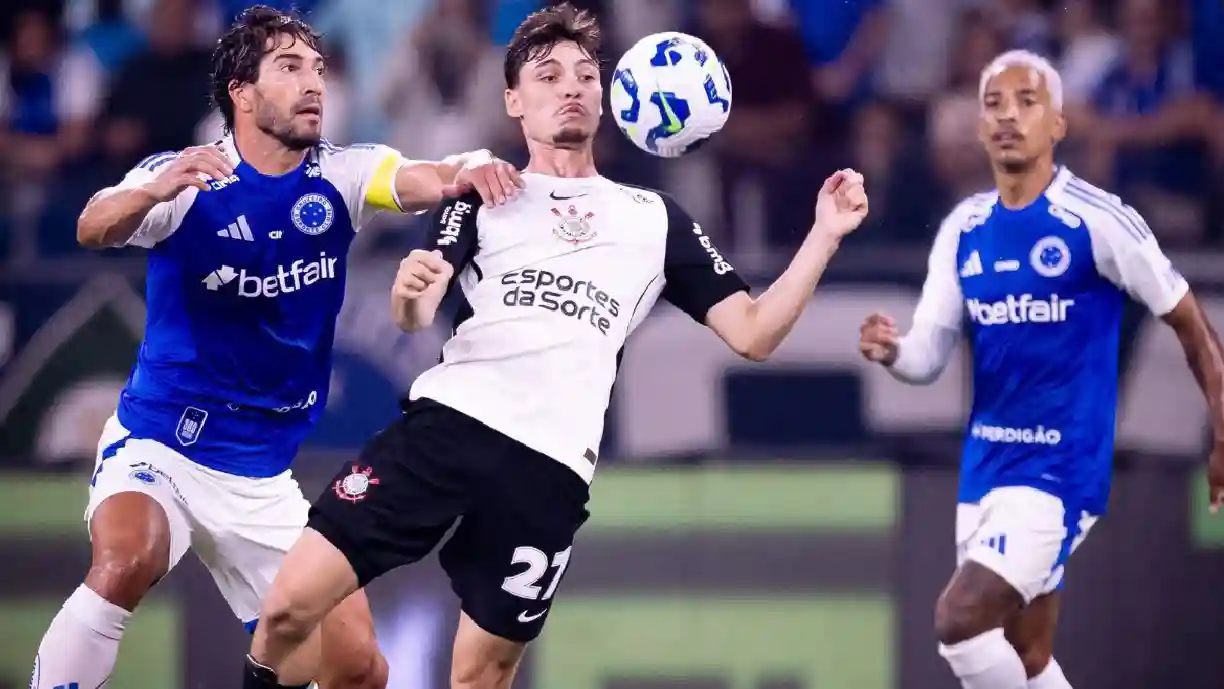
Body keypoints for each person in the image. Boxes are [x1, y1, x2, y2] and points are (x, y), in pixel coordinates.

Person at [239, 4, 869, 689]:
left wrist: (824, 235)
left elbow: (753, 332)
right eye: (547, 76)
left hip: (549, 468)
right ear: (513, 100)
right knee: (288, 608)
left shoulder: (655, 219)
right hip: (448, 429)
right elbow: (417, 312)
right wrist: (409, 290)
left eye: (584, 76)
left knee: (480, 675)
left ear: (605, 99)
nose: (570, 87)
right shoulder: (482, 193)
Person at [31, 6, 521, 689]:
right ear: (242, 92)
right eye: (289, 68)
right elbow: (93, 225)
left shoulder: (343, 175)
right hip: (162, 444)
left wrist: (471, 165)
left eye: (317, 69)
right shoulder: (186, 178)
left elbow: (427, 176)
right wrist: (150, 192)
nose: (313, 83)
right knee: (126, 561)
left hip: (261, 477)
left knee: (360, 668)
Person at [858, 50, 1224, 689]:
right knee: (1025, 657)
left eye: (1026, 102)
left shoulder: (1098, 219)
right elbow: (928, 356)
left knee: (958, 620)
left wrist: (1222, 433)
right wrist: (893, 351)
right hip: (985, 468)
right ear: (980, 129)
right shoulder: (964, 228)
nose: (1008, 116)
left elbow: (1190, 323)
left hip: (1061, 471)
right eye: (994, 105)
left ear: (1058, 124)